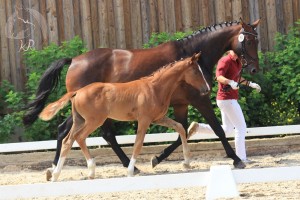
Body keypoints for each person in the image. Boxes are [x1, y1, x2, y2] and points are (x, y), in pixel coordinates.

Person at [188, 50, 261, 163]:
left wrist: (250, 84)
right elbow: (219, 77)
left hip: (228, 100)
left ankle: (199, 127)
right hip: (227, 99)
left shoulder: (238, 62)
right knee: (241, 127)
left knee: (227, 130)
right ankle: (241, 158)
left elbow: (237, 77)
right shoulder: (225, 60)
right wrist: (230, 82)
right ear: (230, 50)